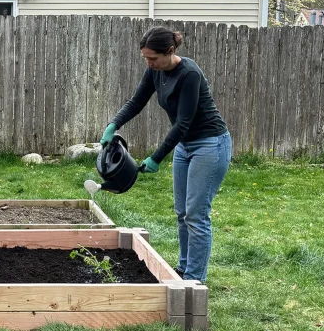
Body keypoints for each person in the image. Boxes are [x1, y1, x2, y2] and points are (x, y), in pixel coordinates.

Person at [99, 26, 231, 283]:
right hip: (185, 147)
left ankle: (194, 280)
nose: (149, 63)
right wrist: (113, 124)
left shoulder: (189, 74)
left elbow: (182, 123)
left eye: (153, 58)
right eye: (145, 58)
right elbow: (136, 102)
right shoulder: (154, 71)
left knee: (196, 214)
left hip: (210, 145)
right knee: (182, 213)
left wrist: (157, 157)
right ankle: (182, 269)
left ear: (170, 51)